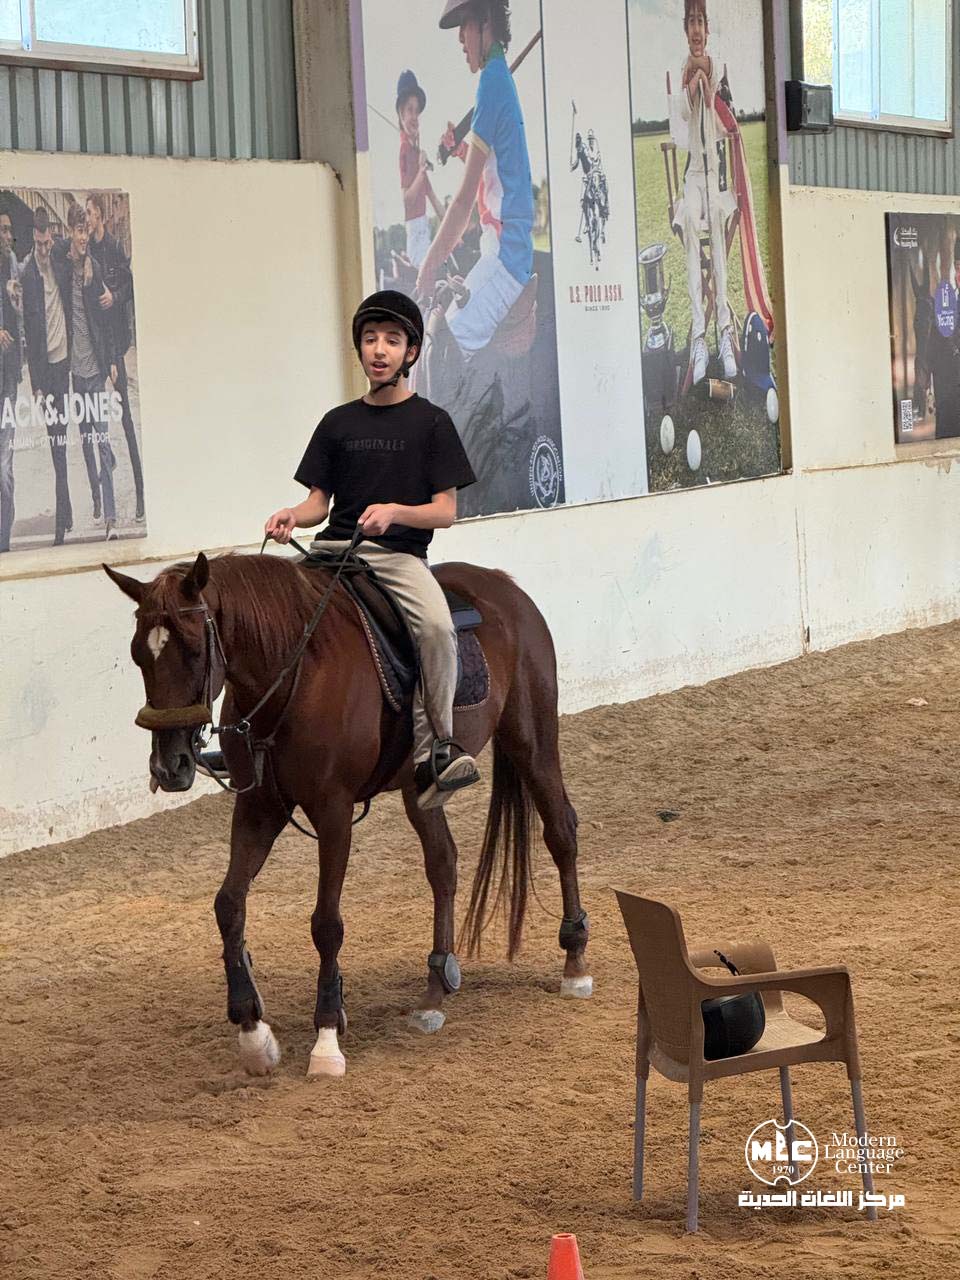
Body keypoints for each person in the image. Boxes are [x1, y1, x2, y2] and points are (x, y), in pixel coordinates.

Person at [264, 290, 480, 809]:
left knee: (436, 629)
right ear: (359, 348)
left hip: (396, 559)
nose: (379, 349)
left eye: (392, 340)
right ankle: (251, 740)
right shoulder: (337, 423)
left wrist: (395, 513)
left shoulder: (432, 423)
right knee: (266, 617)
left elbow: (445, 511)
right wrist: (293, 514)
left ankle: (437, 751)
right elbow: (318, 503)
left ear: (411, 352)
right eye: (370, 339)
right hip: (332, 551)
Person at [415, 0, 534, 357]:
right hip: (503, 251)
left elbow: (463, 203)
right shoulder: (495, 78)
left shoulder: (492, 83)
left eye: (464, 25)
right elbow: (497, 168)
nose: (460, 40)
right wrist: (462, 151)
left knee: (439, 348)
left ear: (485, 21)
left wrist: (427, 267)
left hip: (505, 257)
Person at [672, 0, 737, 384]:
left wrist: (703, 82)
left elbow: (727, 124)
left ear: (707, 29)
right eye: (691, 23)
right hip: (693, 174)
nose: (696, 30)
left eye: (701, 22)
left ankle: (724, 330)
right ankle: (699, 336)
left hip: (716, 174)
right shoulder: (683, 71)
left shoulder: (714, 66)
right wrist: (689, 88)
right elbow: (680, 124)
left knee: (716, 218)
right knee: (692, 230)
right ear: (686, 31)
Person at [53, 202, 119, 539]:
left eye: (85, 232)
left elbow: (106, 322)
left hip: (95, 373)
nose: (83, 237)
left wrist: (111, 361)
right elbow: (53, 251)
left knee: (102, 441)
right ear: (70, 231)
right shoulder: (65, 266)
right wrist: (73, 251)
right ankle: (96, 496)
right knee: (87, 442)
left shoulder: (95, 269)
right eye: (78, 231)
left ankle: (110, 517)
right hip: (75, 375)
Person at [86, 192, 145, 522]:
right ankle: (103, 490)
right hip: (98, 348)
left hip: (117, 348)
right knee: (97, 423)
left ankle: (140, 494)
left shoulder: (112, 246)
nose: (88, 218)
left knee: (126, 421)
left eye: (90, 213)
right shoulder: (88, 250)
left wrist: (115, 296)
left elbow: (130, 285)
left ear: (99, 215)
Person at [21, 207, 73, 545]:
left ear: (51, 238)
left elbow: (81, 244)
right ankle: (65, 513)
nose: (43, 249)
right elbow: (30, 329)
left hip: (63, 363)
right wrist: (36, 384)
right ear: (33, 239)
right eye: (38, 243)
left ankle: (61, 522)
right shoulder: (28, 275)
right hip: (45, 371)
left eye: (46, 243)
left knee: (61, 441)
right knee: (56, 442)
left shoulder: (59, 258)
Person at [396, 70, 444, 269]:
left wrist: (452, 227)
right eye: (410, 110)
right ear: (401, 113)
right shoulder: (405, 150)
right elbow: (407, 200)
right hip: (416, 234)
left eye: (417, 111)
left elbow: (431, 195)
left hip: (425, 231)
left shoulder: (415, 152)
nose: (415, 116)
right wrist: (422, 170)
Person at [0, 212, 21, 552]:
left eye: (9, 231)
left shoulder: (13, 264)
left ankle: (4, 536)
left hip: (8, 378)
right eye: (2, 230)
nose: (7, 236)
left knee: (5, 460)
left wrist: (16, 301)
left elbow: (22, 315)